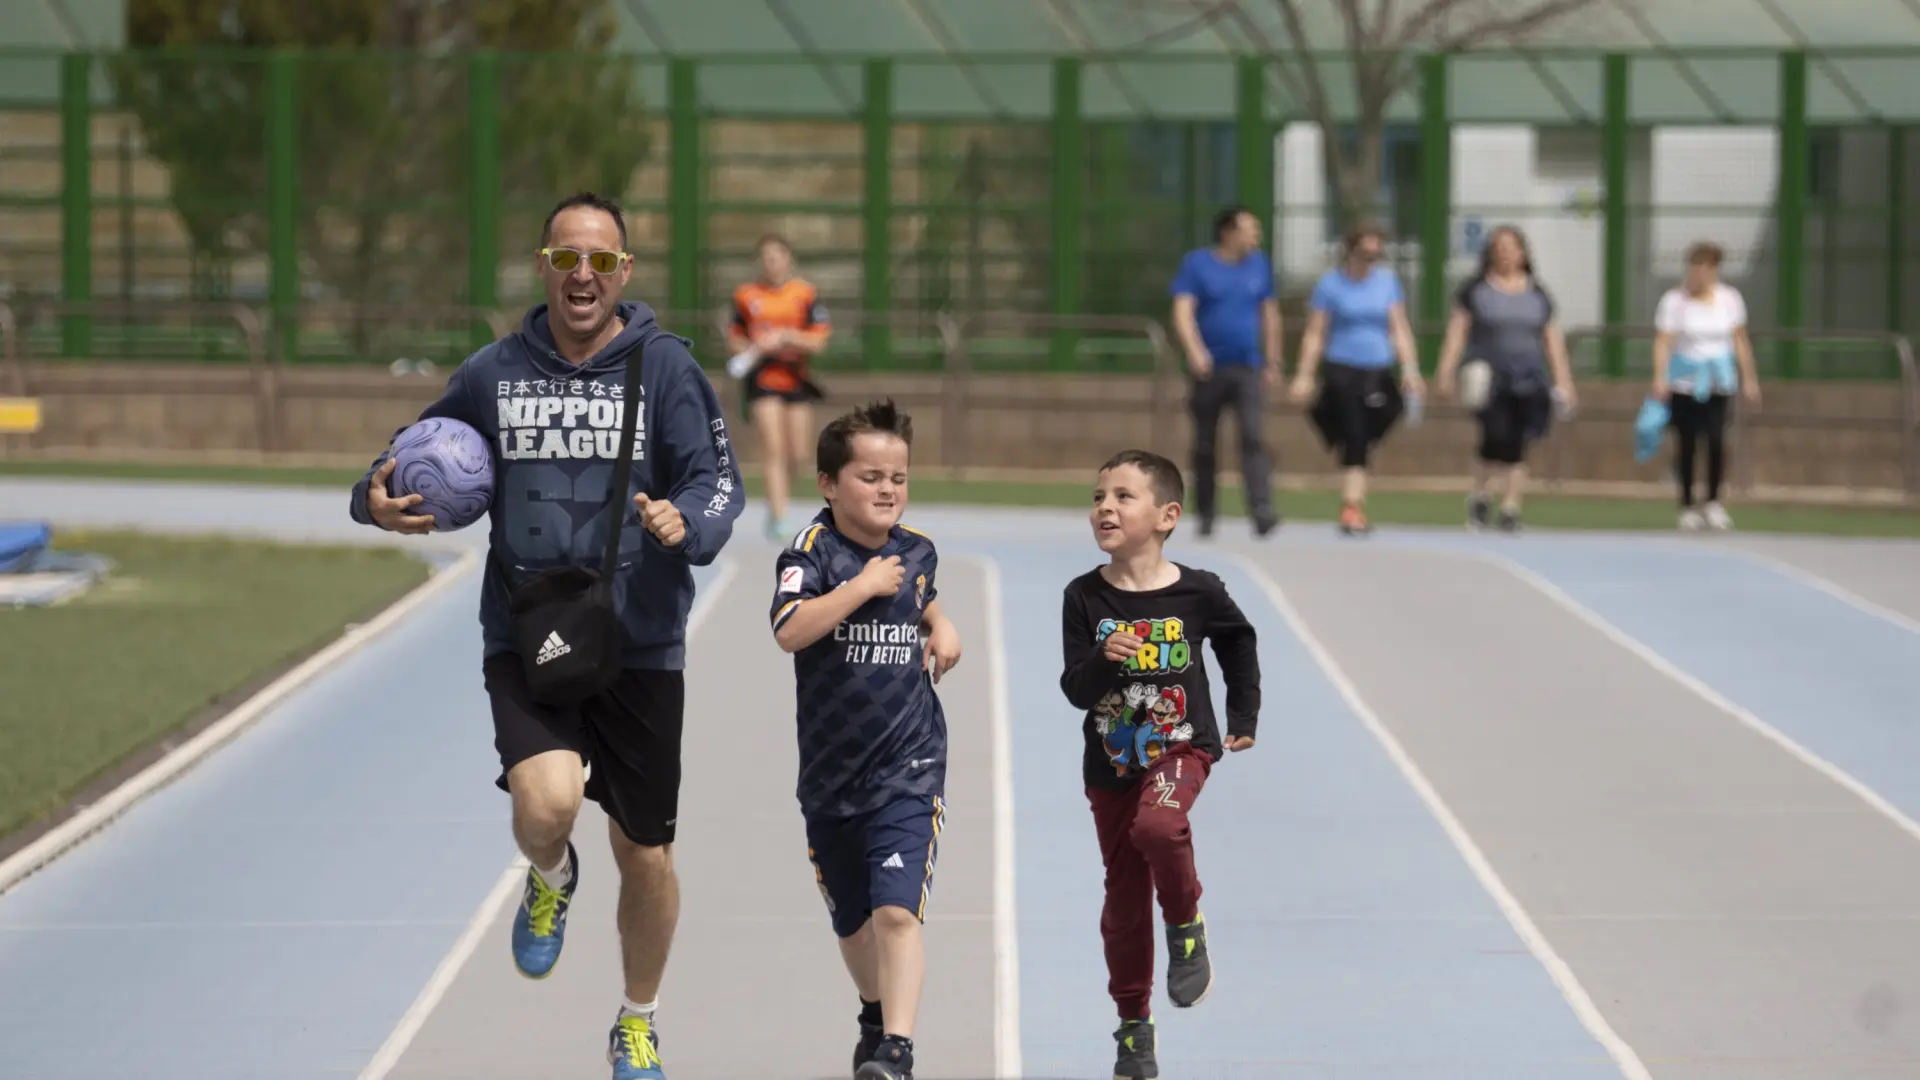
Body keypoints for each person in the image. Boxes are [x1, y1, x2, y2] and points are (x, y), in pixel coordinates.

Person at [350, 191, 743, 1080]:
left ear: (624, 273)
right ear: (543, 264)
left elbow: (719, 481)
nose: (582, 276)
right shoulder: (494, 371)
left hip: (640, 645)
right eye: (567, 258)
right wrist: (373, 495)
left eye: (600, 262)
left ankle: (636, 1019)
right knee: (548, 806)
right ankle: (552, 877)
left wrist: (689, 523)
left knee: (647, 853)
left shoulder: (669, 371)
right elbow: (408, 448)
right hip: (529, 636)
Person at [768, 399, 962, 1080]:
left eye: (898, 478)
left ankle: (899, 1052)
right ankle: (874, 1014)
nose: (887, 490)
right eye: (870, 476)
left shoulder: (916, 551)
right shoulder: (811, 555)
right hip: (829, 776)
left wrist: (942, 624)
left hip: (909, 767)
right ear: (828, 484)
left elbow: (919, 589)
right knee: (853, 927)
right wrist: (860, 587)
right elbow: (790, 630)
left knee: (895, 915)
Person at [1059, 449, 1261, 1080]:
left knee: (1160, 828)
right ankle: (1133, 1030)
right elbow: (1075, 690)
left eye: (1122, 496)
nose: (1105, 508)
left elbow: (1237, 639)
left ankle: (1185, 922)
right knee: (1122, 902)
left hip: (1183, 746)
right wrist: (1104, 659)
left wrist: (1242, 717)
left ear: (1167, 515)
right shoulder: (1084, 596)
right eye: (1098, 497)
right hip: (1113, 764)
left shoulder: (1198, 590)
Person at [1435, 224, 1579, 533]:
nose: (1505, 254)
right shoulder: (1476, 291)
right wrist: (1446, 370)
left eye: (1512, 248)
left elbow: (1552, 339)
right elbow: (1457, 333)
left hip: (1529, 377)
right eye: (1499, 248)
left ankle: (1511, 506)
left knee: (1519, 442)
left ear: (1523, 253)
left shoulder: (1537, 293)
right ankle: (1481, 495)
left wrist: (1563, 380)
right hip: (1489, 377)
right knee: (1495, 437)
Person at [1289, 223, 1425, 536]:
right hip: (1343, 366)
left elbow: (1399, 326)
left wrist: (1411, 369)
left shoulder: (1387, 284)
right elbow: (1316, 331)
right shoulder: (1331, 285)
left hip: (1378, 368)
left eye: (1375, 255)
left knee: (1391, 411)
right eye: (1365, 254)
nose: (1369, 261)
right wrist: (1305, 373)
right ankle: (1352, 506)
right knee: (1356, 436)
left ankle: (1351, 448)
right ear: (1350, 252)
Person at [1168, 205, 1283, 538]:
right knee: (1205, 443)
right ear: (1229, 232)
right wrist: (1195, 351)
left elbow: (1270, 314)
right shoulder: (1198, 265)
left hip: (1247, 366)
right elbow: (1182, 311)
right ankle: (1206, 512)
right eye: (1250, 230)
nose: (1256, 237)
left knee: (1253, 437)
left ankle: (1261, 509)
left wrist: (1272, 361)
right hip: (1209, 368)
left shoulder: (1259, 266)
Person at [727, 234, 832, 540]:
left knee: (798, 454)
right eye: (766, 257)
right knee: (773, 448)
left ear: (789, 259)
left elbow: (819, 340)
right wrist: (754, 347)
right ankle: (778, 513)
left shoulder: (804, 294)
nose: (772, 263)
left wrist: (787, 338)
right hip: (763, 380)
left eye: (778, 256)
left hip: (796, 380)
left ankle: (778, 497)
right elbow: (735, 339)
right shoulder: (746, 296)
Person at [1652, 240, 1761, 530]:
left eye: (1705, 267)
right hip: (1684, 382)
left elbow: (1739, 340)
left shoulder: (1729, 299)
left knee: (1716, 440)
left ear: (1714, 270)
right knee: (1687, 442)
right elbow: (1664, 341)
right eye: (1695, 266)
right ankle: (1687, 504)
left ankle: (1713, 501)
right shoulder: (1675, 301)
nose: (1698, 273)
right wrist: (1660, 377)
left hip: (1718, 382)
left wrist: (1749, 378)